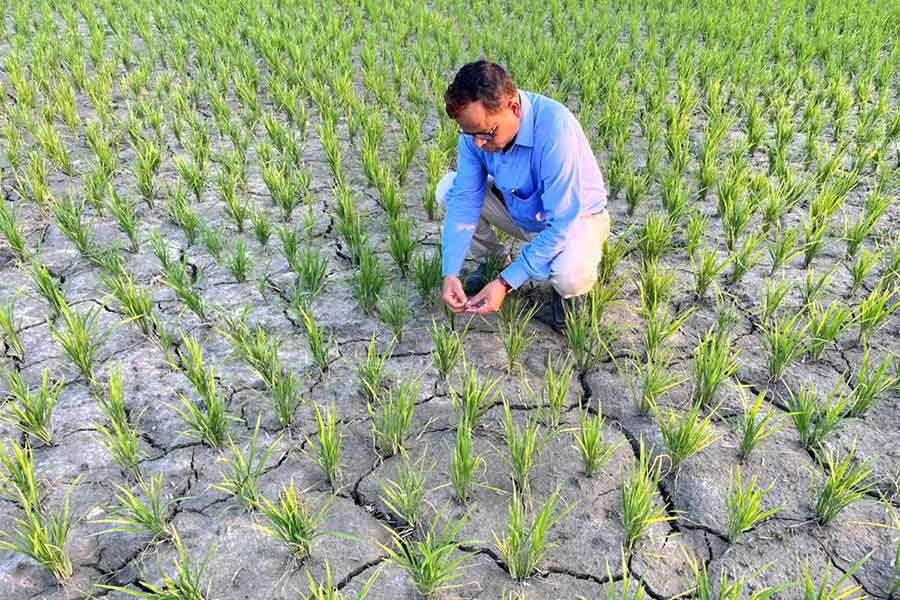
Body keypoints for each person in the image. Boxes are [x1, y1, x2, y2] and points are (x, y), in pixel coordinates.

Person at [436, 60, 610, 332]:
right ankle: (491, 262)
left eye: (487, 133)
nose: (479, 143)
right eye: (471, 135)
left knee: (569, 275)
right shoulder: (475, 134)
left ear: (513, 108)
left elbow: (563, 223)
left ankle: (566, 304)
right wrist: (450, 273)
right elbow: (465, 199)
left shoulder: (555, 129)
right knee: (449, 189)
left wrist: (507, 283)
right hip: (521, 210)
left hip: (577, 219)